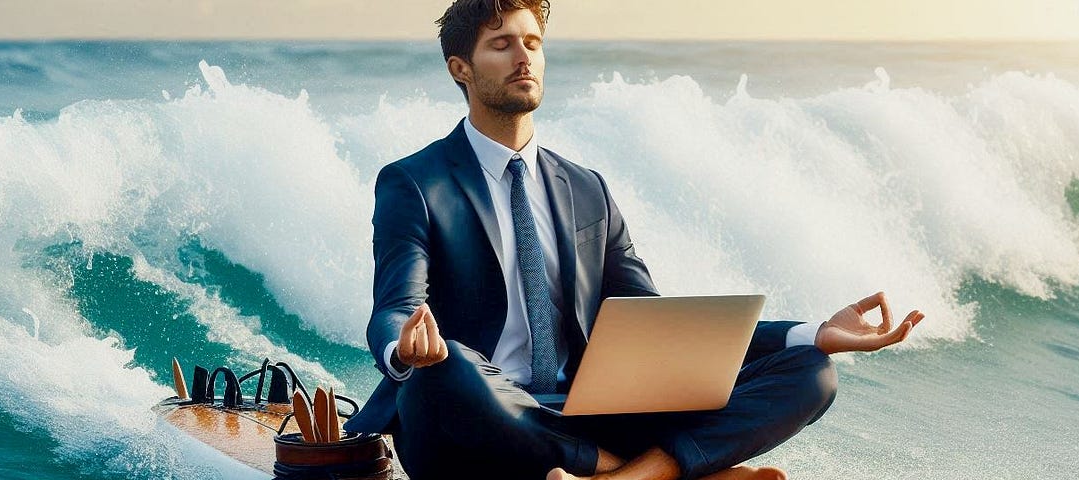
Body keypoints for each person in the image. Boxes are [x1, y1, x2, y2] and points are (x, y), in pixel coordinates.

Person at [343, 1, 926, 479]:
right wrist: (404, 348)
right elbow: (395, 308)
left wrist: (812, 333)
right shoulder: (415, 183)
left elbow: (653, 324)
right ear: (460, 68)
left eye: (533, 43)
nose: (524, 57)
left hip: (584, 411)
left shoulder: (587, 189)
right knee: (446, 365)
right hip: (476, 420)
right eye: (501, 44)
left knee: (812, 371)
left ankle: (633, 474)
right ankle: (640, 472)